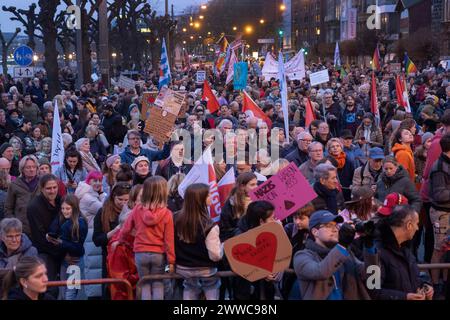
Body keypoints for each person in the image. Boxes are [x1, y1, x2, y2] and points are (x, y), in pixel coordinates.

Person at [293, 210, 378, 300]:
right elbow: (321, 272)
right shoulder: (302, 256)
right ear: (315, 232)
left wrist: (369, 246)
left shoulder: (345, 253)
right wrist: (342, 245)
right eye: (329, 226)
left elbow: (373, 279)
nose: (335, 229)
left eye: (336, 225)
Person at [120, 176, 175, 300]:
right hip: (158, 255)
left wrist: (121, 241)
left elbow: (126, 229)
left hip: (140, 252)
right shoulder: (167, 213)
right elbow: (169, 240)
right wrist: (171, 261)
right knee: (158, 284)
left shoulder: (137, 210)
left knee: (144, 284)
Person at [371, 205, 434, 300]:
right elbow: (373, 292)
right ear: (409, 225)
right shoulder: (376, 252)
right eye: (416, 223)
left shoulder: (405, 248)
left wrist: (425, 285)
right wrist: (405, 297)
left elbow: (415, 274)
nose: (417, 228)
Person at [174, 183, 223, 300]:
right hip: (206, 269)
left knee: (190, 287)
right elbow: (215, 255)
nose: (211, 197)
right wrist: (223, 247)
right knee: (212, 286)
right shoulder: (210, 225)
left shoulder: (174, 218)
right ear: (200, 199)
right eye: (208, 195)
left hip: (183, 267)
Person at [233, 201, 281, 300]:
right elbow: (238, 264)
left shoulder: (271, 230)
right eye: (272, 218)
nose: (275, 221)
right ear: (261, 221)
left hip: (266, 288)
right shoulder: (240, 236)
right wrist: (260, 273)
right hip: (247, 290)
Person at [26, 174, 63, 296]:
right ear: (41, 189)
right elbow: (40, 238)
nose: (52, 191)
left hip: (65, 249)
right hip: (46, 252)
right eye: (48, 188)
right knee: (50, 289)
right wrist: (60, 251)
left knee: (72, 286)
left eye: (54, 187)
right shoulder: (33, 207)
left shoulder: (62, 200)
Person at [93, 182, 131, 298]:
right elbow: (97, 240)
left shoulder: (134, 211)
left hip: (129, 258)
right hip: (110, 259)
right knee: (110, 291)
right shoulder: (103, 212)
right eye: (120, 199)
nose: (124, 203)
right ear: (113, 197)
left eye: (126, 200)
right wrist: (117, 230)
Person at [47, 194, 88, 300]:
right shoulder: (64, 220)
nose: (65, 211)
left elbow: (77, 248)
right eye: (63, 208)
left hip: (75, 261)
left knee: (71, 291)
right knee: (64, 291)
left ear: (75, 208)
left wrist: (60, 242)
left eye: (68, 208)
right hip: (65, 261)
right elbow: (52, 231)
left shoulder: (79, 223)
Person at [428, 133, 450, 294]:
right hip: (442, 214)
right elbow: (440, 194)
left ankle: (445, 281)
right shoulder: (439, 168)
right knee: (439, 249)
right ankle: (436, 285)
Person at [281, 203, 315, 299]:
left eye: (301, 219)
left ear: (310, 218)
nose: (297, 222)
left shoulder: (315, 232)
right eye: (295, 218)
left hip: (307, 274)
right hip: (290, 273)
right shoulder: (289, 229)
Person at [4, 155, 40, 236]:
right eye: (28, 167)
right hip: (21, 230)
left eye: (34, 167)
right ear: (22, 169)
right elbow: (8, 208)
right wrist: (15, 224)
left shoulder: (42, 183)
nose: (31, 169)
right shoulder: (14, 184)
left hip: (40, 228)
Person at [219, 172, 257, 241]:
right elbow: (225, 229)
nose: (256, 187)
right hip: (240, 240)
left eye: (256, 184)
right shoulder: (231, 203)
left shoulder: (258, 199)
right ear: (242, 186)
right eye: (252, 185)